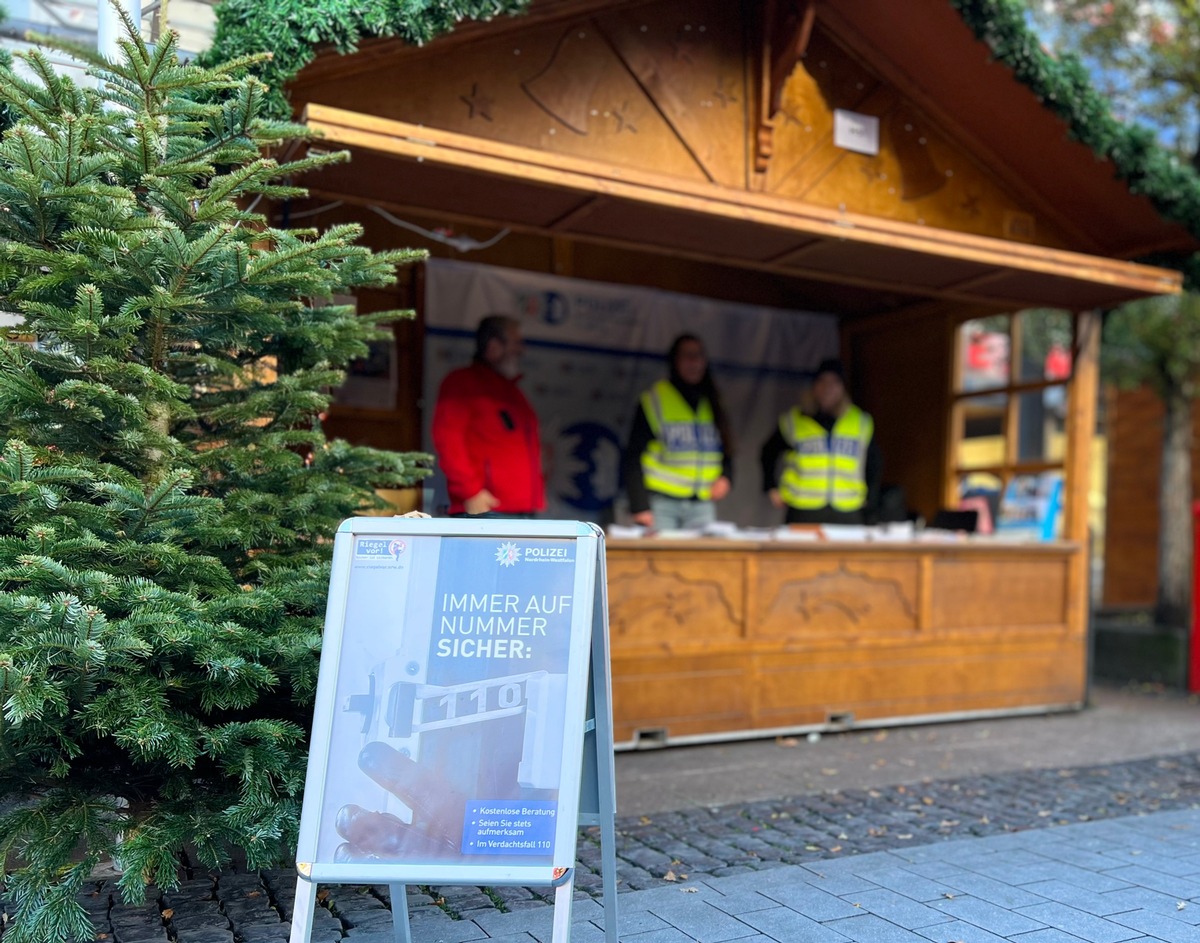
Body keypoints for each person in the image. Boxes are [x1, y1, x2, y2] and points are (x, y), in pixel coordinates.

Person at [432, 315, 545, 518]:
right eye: (516, 343)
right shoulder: (462, 383)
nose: (522, 350)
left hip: (521, 509)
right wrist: (470, 491)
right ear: (494, 346)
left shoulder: (512, 391)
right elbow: (448, 441)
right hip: (484, 509)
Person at [621, 334, 733, 530]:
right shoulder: (655, 399)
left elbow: (727, 448)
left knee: (700, 561)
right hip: (661, 502)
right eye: (687, 356)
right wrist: (639, 505)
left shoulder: (712, 400)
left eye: (698, 356)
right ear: (675, 361)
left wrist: (726, 476)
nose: (694, 362)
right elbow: (632, 455)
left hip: (701, 503)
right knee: (660, 560)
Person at [760, 358, 881, 525]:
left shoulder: (860, 422)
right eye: (822, 382)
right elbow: (768, 453)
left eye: (834, 383)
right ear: (814, 386)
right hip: (804, 508)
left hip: (847, 509)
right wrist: (771, 487)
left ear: (842, 388)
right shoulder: (794, 420)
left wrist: (870, 499)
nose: (827, 389)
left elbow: (874, 464)